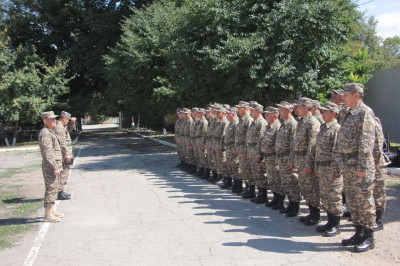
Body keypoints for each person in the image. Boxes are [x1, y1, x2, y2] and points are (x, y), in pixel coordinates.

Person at [334, 83, 377, 252]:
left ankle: (369, 236)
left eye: (346, 95)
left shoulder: (365, 112)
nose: (343, 97)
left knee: (364, 201)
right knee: (352, 201)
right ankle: (358, 232)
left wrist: (362, 166)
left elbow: (366, 142)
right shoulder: (348, 113)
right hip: (347, 164)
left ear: (356, 95)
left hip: (359, 165)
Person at [314, 102, 343, 237]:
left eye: (325, 112)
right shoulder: (324, 128)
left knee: (334, 196)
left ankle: (336, 225)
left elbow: (337, 152)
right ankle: (329, 222)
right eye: (322, 111)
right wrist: (317, 167)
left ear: (333, 113)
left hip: (331, 168)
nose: (322, 114)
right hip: (322, 166)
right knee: (325, 196)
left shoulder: (336, 129)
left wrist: (335, 172)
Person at [291, 97, 321, 225]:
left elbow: (312, 145)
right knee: (305, 187)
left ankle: (315, 215)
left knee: (311, 187)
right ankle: (310, 212)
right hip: (299, 159)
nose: (296, 109)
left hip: (306, 160)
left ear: (306, 107)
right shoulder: (301, 122)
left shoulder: (312, 123)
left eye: (298, 106)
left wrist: (309, 164)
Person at [274, 101, 300, 216]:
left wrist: (291, 160)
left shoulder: (293, 124)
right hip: (282, 158)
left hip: (288, 159)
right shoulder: (283, 124)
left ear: (288, 110)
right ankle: (290, 205)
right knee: (286, 183)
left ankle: (295, 207)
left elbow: (293, 145)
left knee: (292, 183)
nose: (279, 112)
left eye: (281, 109)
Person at [38, 111, 65, 223]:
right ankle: (48, 214)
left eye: (54, 118)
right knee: (51, 188)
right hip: (51, 167)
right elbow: (48, 153)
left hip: (55, 165)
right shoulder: (45, 133)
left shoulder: (51, 131)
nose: (54, 120)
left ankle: (52, 210)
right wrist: (55, 167)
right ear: (45, 121)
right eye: (51, 119)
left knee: (54, 188)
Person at [244, 102, 267, 200]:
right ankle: (253, 192)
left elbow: (260, 140)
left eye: (252, 110)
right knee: (253, 173)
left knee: (260, 174)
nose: (250, 112)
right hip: (251, 151)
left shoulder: (261, 122)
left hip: (256, 152)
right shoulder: (254, 122)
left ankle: (262, 195)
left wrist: (258, 154)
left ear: (259, 111)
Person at [259, 107, 281, 205]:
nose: (265, 116)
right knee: (271, 179)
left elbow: (278, 145)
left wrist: (277, 159)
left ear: (275, 115)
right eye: (265, 114)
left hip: (273, 157)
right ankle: (275, 199)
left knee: (276, 179)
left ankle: (279, 200)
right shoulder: (268, 126)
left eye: (268, 114)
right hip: (267, 157)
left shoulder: (278, 127)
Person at [372, 117, 391, 231]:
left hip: (377, 163)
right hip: (368, 162)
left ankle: (378, 220)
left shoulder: (372, 120)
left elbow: (379, 141)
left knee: (378, 190)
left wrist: (376, 159)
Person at [232, 101, 253, 194]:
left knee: (247, 169)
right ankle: (246, 188)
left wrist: (246, 151)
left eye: (239, 108)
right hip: (240, 149)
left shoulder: (248, 120)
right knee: (244, 169)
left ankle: (250, 189)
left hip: (245, 149)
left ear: (244, 108)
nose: (237, 110)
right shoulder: (242, 119)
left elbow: (248, 137)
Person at [54, 111, 75, 200]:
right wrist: (67, 154)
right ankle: (59, 192)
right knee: (63, 173)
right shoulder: (59, 128)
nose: (68, 122)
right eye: (68, 120)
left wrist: (72, 123)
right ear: (64, 118)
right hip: (64, 155)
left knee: (65, 172)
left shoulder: (62, 127)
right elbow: (62, 143)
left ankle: (61, 190)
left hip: (66, 154)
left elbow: (69, 130)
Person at [220, 107, 240, 189]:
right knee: (231, 167)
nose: (226, 116)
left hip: (233, 148)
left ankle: (238, 186)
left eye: (227, 114)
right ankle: (233, 184)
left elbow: (237, 138)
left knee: (235, 167)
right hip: (229, 147)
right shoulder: (231, 123)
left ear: (233, 114)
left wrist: (235, 149)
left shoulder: (236, 123)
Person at [211, 106, 230, 184]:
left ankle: (225, 179)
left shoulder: (225, 122)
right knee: (218, 163)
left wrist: (221, 148)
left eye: (219, 112)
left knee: (223, 163)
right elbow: (215, 135)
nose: (217, 114)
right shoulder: (219, 122)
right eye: (216, 112)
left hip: (220, 146)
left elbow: (223, 136)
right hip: (216, 145)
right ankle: (221, 177)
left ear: (224, 113)